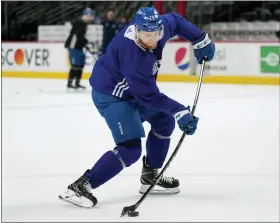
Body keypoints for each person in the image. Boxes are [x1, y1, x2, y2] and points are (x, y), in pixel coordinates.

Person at [59, 7, 215, 208]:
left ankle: (150, 176)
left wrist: (200, 38)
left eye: (157, 34)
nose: (153, 39)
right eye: (147, 35)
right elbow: (149, 96)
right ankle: (81, 186)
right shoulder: (133, 54)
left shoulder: (158, 28)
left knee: (163, 121)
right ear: (137, 30)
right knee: (130, 149)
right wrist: (180, 111)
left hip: (133, 91)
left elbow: (175, 21)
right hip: (112, 95)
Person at [64, 7, 94, 90]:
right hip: (74, 46)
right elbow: (79, 35)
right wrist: (86, 42)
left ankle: (77, 83)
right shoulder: (79, 22)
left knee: (81, 65)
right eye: (90, 16)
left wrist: (85, 42)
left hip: (79, 46)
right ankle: (69, 84)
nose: (91, 19)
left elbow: (81, 36)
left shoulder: (84, 24)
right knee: (75, 65)